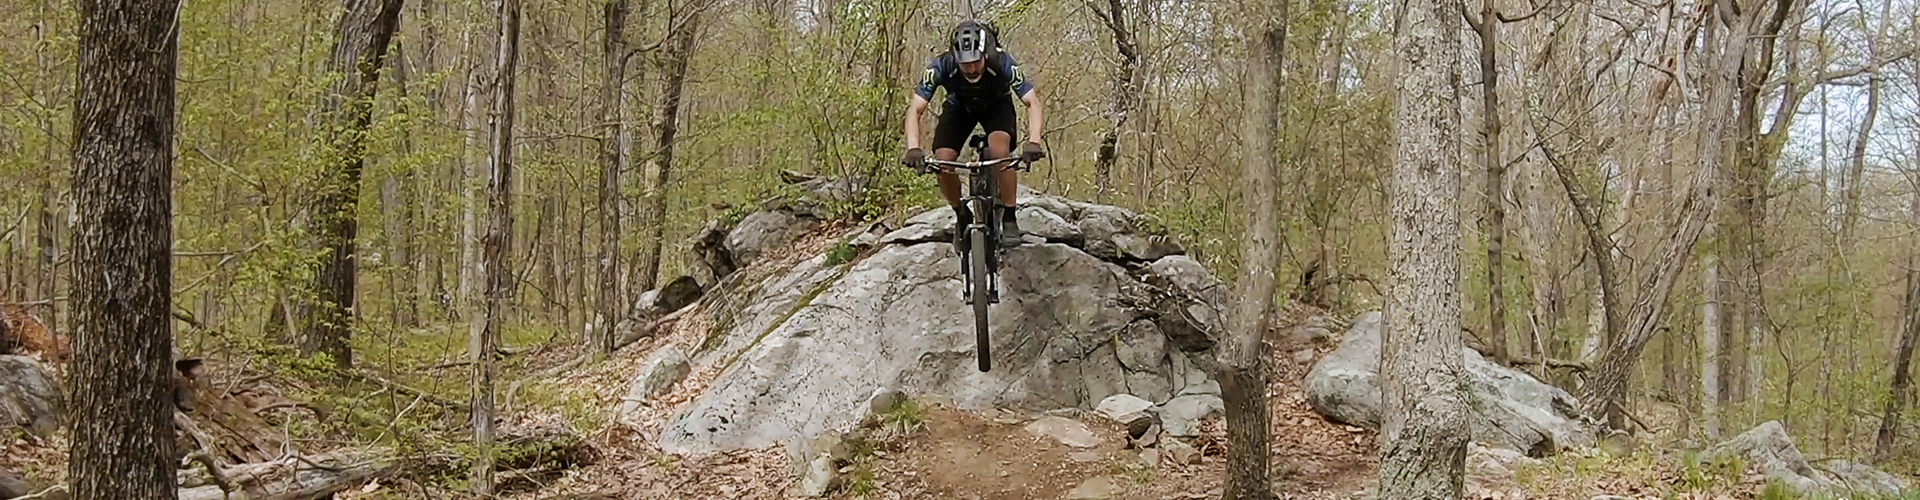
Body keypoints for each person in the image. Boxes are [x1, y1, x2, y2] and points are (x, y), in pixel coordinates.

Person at [902, 20, 1046, 250]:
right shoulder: (940, 66)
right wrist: (913, 147)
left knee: (1000, 151)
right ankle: (961, 213)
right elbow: (915, 109)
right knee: (943, 160)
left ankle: (1010, 217)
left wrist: (1034, 142)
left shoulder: (1002, 62)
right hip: (959, 107)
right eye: (964, 64)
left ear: (984, 55)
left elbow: (1032, 102)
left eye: (975, 62)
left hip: (996, 105)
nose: (970, 69)